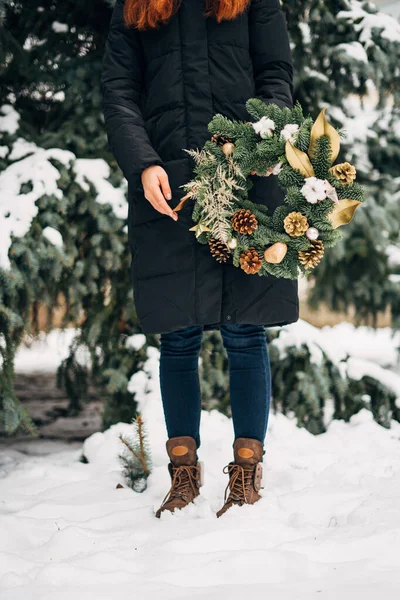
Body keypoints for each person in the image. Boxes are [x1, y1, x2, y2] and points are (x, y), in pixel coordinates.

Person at [101, 0, 299, 518]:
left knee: (246, 328)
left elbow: (276, 73)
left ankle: (247, 471)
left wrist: (262, 142)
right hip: (168, 187)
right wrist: (143, 164)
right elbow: (120, 90)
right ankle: (184, 473)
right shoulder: (137, 7)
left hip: (246, 183)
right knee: (179, 334)